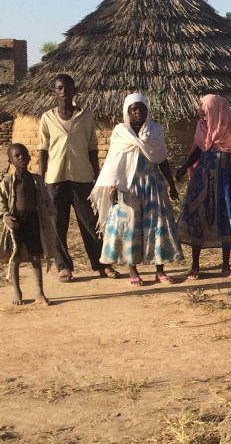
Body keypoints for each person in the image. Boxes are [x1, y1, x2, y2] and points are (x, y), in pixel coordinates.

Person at [90, 93, 183, 286]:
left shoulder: (155, 130)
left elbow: (162, 159)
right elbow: (114, 162)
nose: (138, 112)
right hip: (128, 186)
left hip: (152, 185)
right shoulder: (120, 132)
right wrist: (113, 187)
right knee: (129, 227)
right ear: (127, 112)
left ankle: (160, 270)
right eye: (134, 109)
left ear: (147, 109)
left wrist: (172, 185)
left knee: (157, 225)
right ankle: (132, 269)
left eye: (142, 108)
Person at [37, 73, 105, 282]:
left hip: (82, 176)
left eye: (67, 88)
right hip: (55, 179)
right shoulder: (47, 118)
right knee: (58, 224)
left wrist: (97, 175)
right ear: (54, 93)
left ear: (74, 91)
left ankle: (102, 264)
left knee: (90, 221)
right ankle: (63, 266)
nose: (64, 92)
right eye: (59, 88)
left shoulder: (85, 116)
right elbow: (43, 150)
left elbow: (93, 148)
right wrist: (40, 180)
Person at [175, 94, 231, 280]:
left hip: (225, 182)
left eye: (204, 108)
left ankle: (226, 266)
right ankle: (195, 265)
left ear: (215, 110)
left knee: (225, 219)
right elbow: (196, 152)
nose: (200, 111)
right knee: (199, 219)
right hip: (202, 181)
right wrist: (182, 168)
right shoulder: (202, 128)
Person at [1, 144, 59, 306]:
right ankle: (17, 291)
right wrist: (6, 216)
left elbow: (45, 199)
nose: (21, 158)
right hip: (16, 221)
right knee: (15, 257)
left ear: (29, 157)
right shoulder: (7, 181)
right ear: (10, 160)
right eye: (17, 155)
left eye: (24, 154)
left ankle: (40, 292)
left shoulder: (36, 180)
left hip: (33, 219)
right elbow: (2, 202)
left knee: (35, 256)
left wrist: (51, 214)